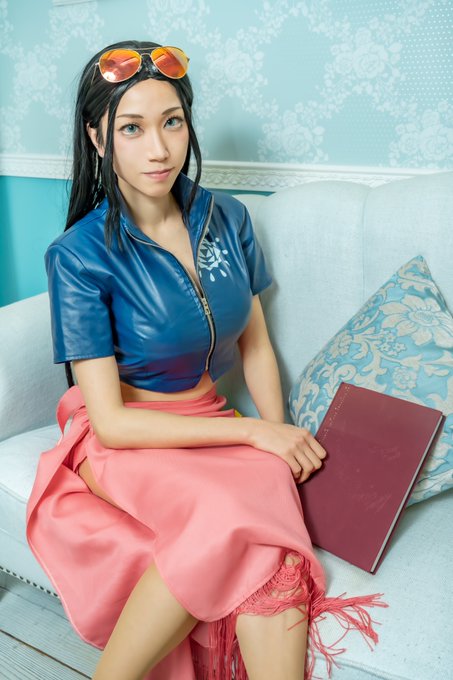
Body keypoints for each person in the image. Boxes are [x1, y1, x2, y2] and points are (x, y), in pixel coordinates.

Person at [26, 41, 386, 680]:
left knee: (269, 539)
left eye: (172, 122)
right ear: (98, 138)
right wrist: (253, 433)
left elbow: (255, 344)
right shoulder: (79, 256)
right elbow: (112, 423)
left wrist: (278, 433)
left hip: (207, 420)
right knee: (229, 519)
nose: (159, 149)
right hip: (126, 437)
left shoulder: (227, 218)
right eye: (131, 129)